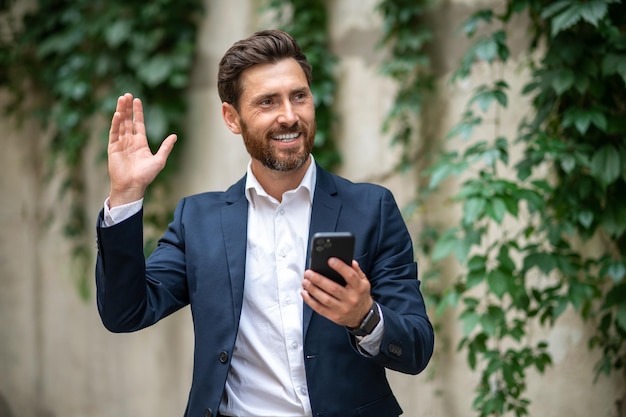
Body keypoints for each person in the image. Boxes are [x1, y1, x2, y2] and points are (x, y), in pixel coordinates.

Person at [95, 29, 434, 417]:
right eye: (267, 102)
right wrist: (125, 194)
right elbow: (126, 313)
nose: (289, 116)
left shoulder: (372, 208)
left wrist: (365, 316)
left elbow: (416, 348)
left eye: (299, 96)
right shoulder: (198, 220)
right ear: (232, 118)